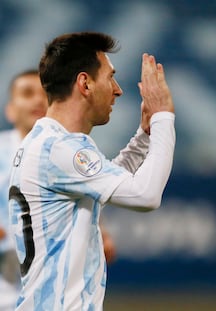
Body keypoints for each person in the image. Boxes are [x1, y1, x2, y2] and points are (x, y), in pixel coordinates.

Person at [8, 31, 175, 310]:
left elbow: (104, 182)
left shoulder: (45, 144)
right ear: (85, 83)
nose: (118, 89)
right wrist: (163, 117)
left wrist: (144, 136)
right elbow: (146, 195)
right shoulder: (61, 149)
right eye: (110, 77)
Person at [0, 69, 48, 311]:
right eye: (28, 93)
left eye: (45, 94)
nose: (38, 100)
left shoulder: (70, 156)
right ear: (10, 109)